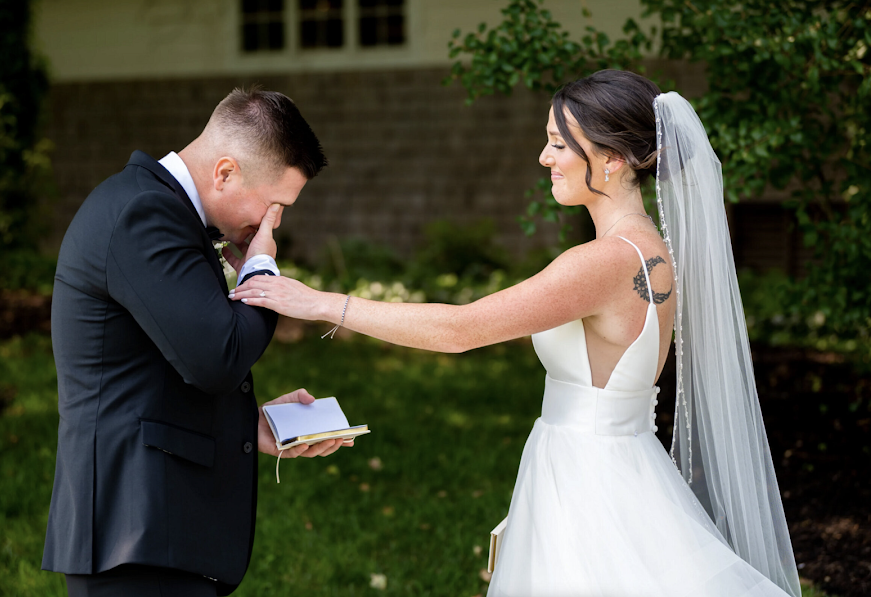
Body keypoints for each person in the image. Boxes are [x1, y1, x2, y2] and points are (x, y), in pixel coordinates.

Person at [228, 70, 802, 596]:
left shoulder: (602, 262)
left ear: (612, 159)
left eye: (558, 142)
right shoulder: (650, 248)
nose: (543, 156)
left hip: (588, 486)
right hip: (615, 465)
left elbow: (462, 328)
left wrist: (320, 303)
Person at [42, 88, 351, 597]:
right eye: (273, 205)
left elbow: (164, 365)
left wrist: (249, 423)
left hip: (157, 532)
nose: (273, 223)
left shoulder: (160, 211)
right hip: (134, 533)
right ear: (225, 172)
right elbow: (219, 357)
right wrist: (260, 270)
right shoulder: (145, 213)